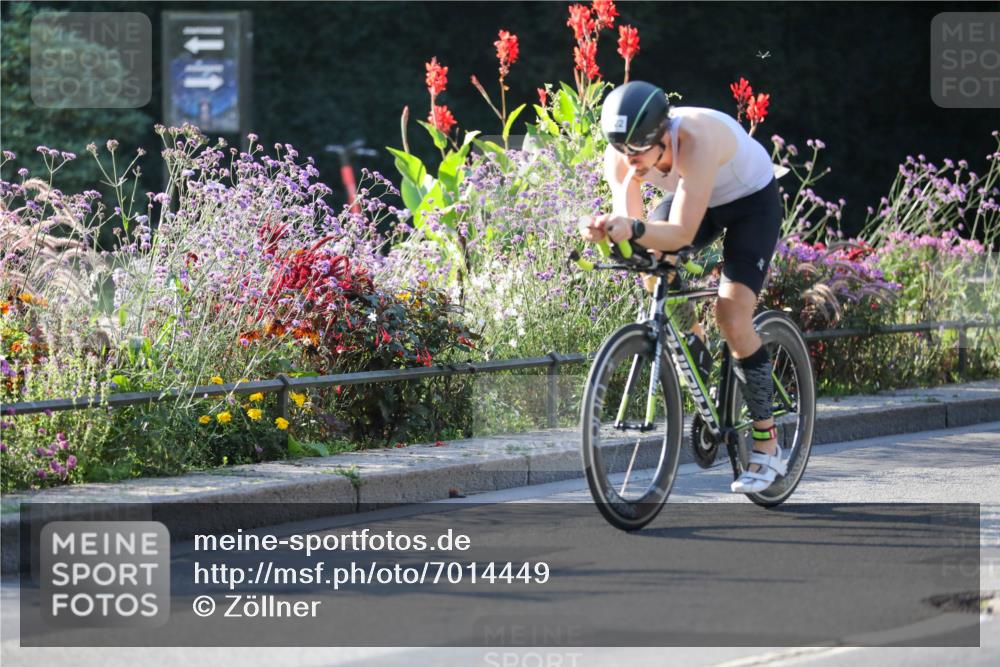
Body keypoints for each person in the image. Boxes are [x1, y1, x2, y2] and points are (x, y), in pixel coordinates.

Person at [579, 80, 785, 493]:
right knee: (651, 266)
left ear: (661, 137)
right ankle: (694, 344)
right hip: (698, 198)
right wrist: (608, 230)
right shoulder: (621, 154)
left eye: (638, 152)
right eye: (622, 151)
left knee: (731, 314)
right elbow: (638, 236)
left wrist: (632, 227)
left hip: (751, 203)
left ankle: (767, 445)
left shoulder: (695, 138)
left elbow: (680, 230)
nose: (630, 161)